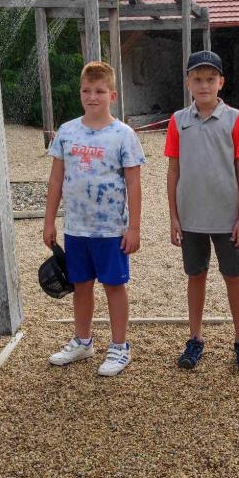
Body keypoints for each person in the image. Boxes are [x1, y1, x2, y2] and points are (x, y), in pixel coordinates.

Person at [44, 61, 145, 377]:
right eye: (87, 90)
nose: (92, 96)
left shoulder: (123, 135)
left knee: (114, 285)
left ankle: (120, 346)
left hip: (111, 229)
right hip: (76, 228)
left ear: (112, 96)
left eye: (100, 91)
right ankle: (83, 340)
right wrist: (49, 221)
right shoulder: (66, 132)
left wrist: (134, 227)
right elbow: (56, 180)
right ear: (80, 93)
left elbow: (134, 183)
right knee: (81, 285)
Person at [165, 50, 239, 372]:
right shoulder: (178, 121)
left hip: (227, 217)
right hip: (190, 216)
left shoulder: (235, 119)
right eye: (197, 79)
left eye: (210, 79)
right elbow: (173, 170)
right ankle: (195, 337)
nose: (203, 85)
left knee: (233, 276)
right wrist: (173, 217)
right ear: (188, 83)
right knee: (196, 275)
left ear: (221, 82)